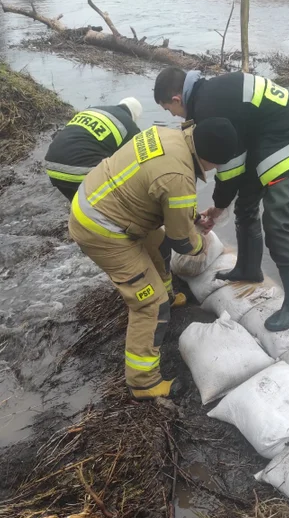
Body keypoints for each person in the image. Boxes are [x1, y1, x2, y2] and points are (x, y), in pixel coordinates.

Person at [68, 118, 238, 400]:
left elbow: (160, 191)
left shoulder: (167, 135)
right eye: (219, 164)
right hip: (102, 231)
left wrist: (191, 217)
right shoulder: (179, 178)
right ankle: (143, 382)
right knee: (150, 304)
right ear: (211, 159)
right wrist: (200, 245)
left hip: (99, 202)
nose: (217, 169)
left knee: (158, 244)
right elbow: (183, 242)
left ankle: (168, 295)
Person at [154, 67, 289, 332]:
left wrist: (217, 208)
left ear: (177, 99)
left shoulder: (210, 108)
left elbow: (229, 170)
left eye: (168, 109)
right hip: (266, 142)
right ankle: (248, 268)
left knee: (277, 225)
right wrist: (221, 205)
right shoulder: (209, 93)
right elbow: (236, 157)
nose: (173, 115)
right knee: (245, 206)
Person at [45, 97, 143, 202]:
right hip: (79, 171)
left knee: (78, 203)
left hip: (52, 167)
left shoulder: (94, 110)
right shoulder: (129, 126)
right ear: (135, 116)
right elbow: (138, 159)